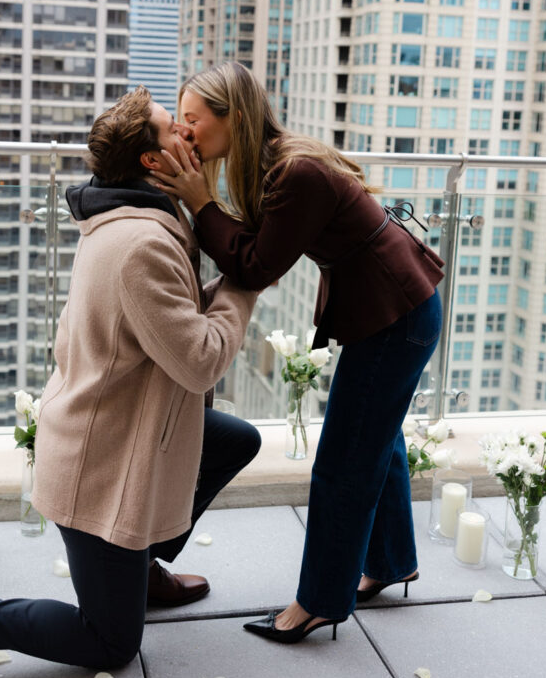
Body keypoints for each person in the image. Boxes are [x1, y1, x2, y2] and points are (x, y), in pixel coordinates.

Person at [0, 87, 260, 670]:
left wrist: (229, 275)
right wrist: (245, 282)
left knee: (235, 439)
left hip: (120, 431)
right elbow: (201, 359)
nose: (187, 134)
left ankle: (140, 568)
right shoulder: (140, 243)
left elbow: (173, 324)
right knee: (110, 645)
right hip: (100, 467)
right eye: (173, 129)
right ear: (151, 162)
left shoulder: (137, 219)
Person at [152, 61, 444, 645]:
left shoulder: (294, 172)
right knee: (376, 440)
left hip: (396, 314)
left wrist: (202, 201)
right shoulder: (276, 164)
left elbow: (256, 266)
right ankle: (391, 561)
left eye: (192, 120)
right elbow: (261, 251)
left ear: (232, 116)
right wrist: (207, 200)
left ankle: (318, 602)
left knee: (344, 460)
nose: (184, 133)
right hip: (393, 306)